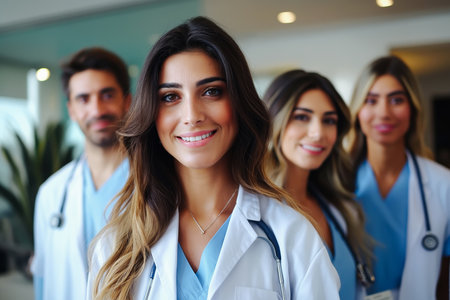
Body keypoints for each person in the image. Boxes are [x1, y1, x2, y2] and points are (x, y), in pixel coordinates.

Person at [87, 16, 340, 300]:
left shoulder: (292, 236)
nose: (192, 115)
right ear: (151, 115)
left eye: (211, 92)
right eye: (170, 97)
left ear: (239, 103)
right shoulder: (116, 247)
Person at [263, 69, 373, 300]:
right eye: (302, 117)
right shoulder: (257, 213)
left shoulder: (341, 209)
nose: (318, 133)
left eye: (329, 120)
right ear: (274, 121)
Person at [32, 47, 131, 300]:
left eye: (107, 95)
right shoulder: (52, 193)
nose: (97, 110)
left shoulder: (157, 183)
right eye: (84, 99)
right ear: (71, 109)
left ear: (127, 101)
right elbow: (45, 281)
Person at [348, 55, 450, 300]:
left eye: (396, 100)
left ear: (413, 109)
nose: (383, 113)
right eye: (371, 100)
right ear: (358, 111)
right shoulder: (337, 182)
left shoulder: (443, 184)